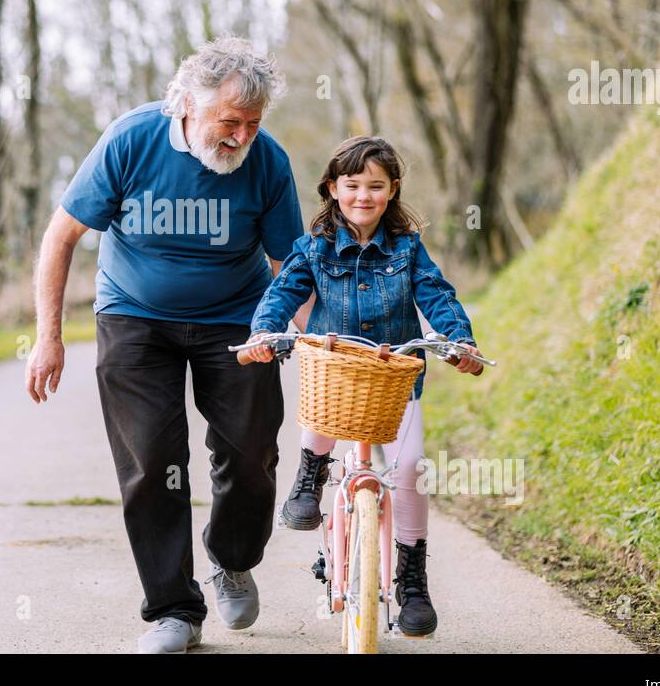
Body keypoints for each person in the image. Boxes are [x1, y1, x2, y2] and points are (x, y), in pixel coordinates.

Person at [24, 36, 306, 653]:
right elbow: (61, 236)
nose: (242, 136)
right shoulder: (131, 139)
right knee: (153, 461)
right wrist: (49, 338)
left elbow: (292, 265)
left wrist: (291, 332)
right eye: (229, 121)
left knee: (252, 451)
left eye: (253, 123)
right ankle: (174, 611)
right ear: (183, 103)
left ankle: (232, 561)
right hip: (134, 316)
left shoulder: (268, 162)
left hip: (240, 317)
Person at [239, 135, 484, 637]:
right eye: (352, 185)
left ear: (393, 190)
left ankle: (412, 581)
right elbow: (283, 292)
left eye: (376, 186)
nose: (363, 196)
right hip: (337, 369)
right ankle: (310, 477)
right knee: (323, 410)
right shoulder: (313, 249)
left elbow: (438, 298)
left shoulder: (409, 250)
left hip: (395, 379)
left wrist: (460, 342)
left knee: (411, 468)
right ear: (333, 188)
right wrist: (264, 333)